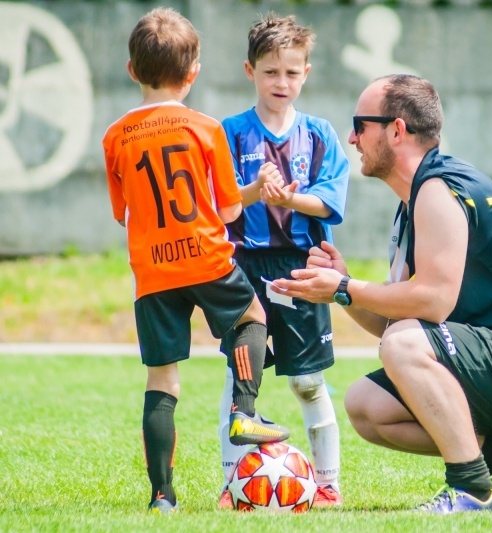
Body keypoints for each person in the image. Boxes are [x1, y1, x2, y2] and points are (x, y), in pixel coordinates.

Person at [273, 74, 492, 513]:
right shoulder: (414, 201)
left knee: (404, 343)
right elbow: (396, 317)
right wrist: (341, 293)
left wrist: (347, 286)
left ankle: (471, 489)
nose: (351, 137)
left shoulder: (438, 189)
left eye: (359, 125)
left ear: (396, 130)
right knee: (366, 405)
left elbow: (431, 303)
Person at [102, 7, 289, 514]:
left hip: (153, 272)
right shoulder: (206, 129)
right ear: (193, 74)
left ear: (132, 70)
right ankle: (243, 411)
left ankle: (162, 496)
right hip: (206, 258)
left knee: (163, 377)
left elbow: (123, 214)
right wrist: (254, 191)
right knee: (253, 316)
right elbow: (228, 209)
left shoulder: (115, 136)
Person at [215, 14, 349, 509]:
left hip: (301, 267)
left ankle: (328, 483)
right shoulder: (228, 134)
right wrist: (255, 191)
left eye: (292, 73)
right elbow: (222, 203)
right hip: (242, 268)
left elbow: (331, 201)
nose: (282, 82)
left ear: (306, 73)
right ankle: (232, 486)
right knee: (238, 377)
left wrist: (291, 200)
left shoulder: (319, 135)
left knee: (307, 380)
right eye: (271, 72)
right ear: (250, 71)